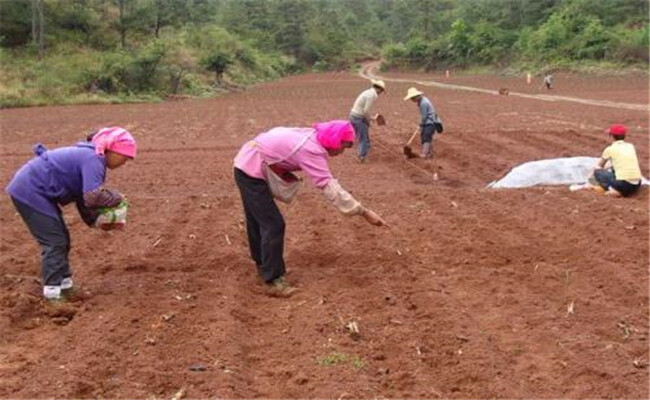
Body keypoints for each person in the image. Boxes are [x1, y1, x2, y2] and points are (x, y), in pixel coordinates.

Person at [233, 120, 387, 295]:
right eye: (343, 146)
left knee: (259, 220)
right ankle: (273, 280)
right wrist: (364, 212)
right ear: (335, 139)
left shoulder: (312, 137)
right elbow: (329, 186)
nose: (342, 151)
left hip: (247, 161)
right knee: (273, 224)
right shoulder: (310, 149)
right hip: (250, 170)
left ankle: (265, 267)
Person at [6, 127, 137, 301]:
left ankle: (66, 287)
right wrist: (117, 198)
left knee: (62, 240)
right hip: (30, 191)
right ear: (111, 149)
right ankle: (52, 295)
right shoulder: (94, 159)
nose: (125, 161)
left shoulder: (91, 157)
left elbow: (82, 197)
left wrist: (96, 220)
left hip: (35, 190)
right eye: (125, 156)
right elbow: (93, 196)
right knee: (55, 242)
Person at [591, 124, 642, 197]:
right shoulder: (630, 146)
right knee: (613, 169)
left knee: (597, 172)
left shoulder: (610, 149)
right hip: (636, 184)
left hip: (623, 184)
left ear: (611, 136)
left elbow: (599, 166)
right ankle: (621, 191)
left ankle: (612, 189)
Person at [349, 79, 386, 163]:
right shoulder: (372, 95)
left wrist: (369, 119)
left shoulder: (367, 92)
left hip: (353, 115)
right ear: (379, 89)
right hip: (359, 117)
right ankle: (362, 157)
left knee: (361, 136)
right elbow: (365, 111)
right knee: (364, 138)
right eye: (381, 91)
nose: (380, 93)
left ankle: (361, 153)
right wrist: (370, 119)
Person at [404, 87, 441, 159]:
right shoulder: (422, 101)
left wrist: (421, 125)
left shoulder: (423, 103)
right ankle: (430, 153)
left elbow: (424, 116)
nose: (412, 100)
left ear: (416, 97)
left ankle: (424, 154)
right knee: (426, 137)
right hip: (429, 122)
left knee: (426, 138)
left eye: (412, 98)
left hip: (430, 123)